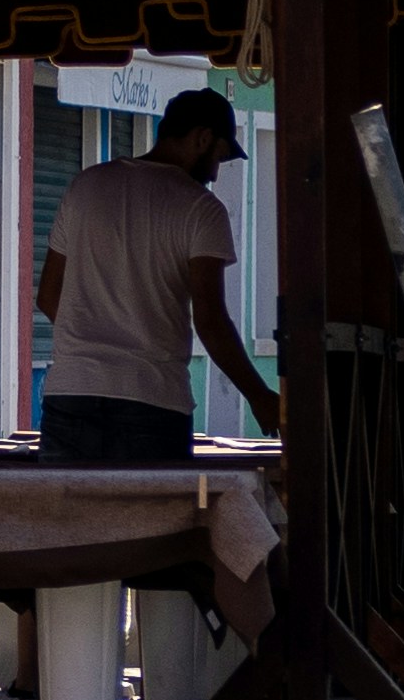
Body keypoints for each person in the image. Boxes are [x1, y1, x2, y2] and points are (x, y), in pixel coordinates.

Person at [33, 89, 276, 468]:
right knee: (154, 525)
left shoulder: (86, 186)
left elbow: (49, 297)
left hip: (71, 396)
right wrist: (260, 396)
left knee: (68, 524)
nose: (215, 173)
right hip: (152, 403)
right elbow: (211, 322)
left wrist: (95, 339)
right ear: (202, 138)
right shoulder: (201, 209)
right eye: (220, 157)